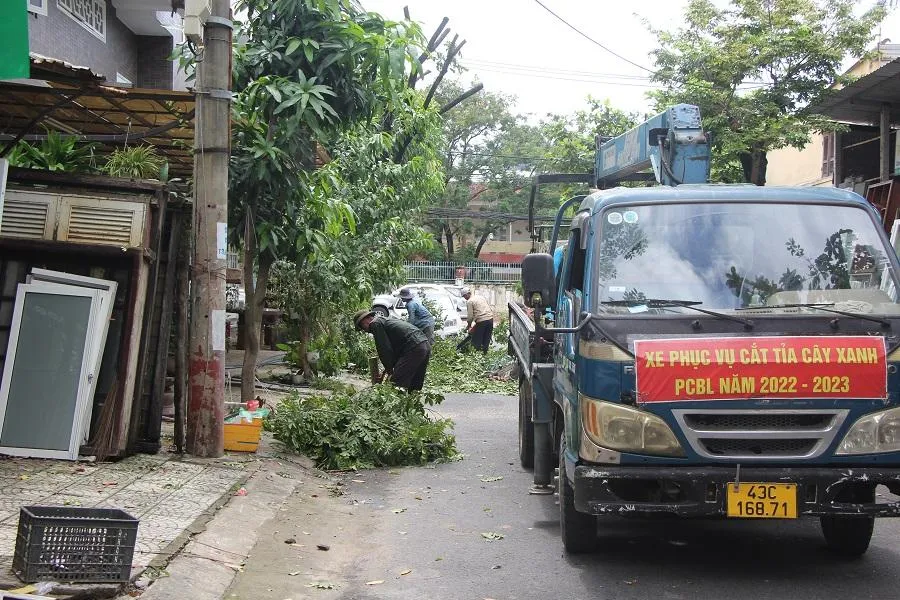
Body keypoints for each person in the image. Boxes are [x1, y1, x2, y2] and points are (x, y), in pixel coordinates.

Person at [353, 309, 431, 392]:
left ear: (365, 320)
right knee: (415, 383)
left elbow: (384, 349)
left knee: (396, 383)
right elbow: (394, 351)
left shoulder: (375, 324)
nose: (364, 330)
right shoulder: (385, 321)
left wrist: (390, 371)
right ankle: (413, 403)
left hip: (414, 347)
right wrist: (385, 371)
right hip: (424, 344)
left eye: (361, 327)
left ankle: (397, 404)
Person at [461, 287, 494, 354]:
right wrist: (470, 326)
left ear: (467, 294)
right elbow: (484, 309)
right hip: (490, 319)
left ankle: (476, 355)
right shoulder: (480, 297)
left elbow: (470, 317)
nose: (464, 298)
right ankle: (485, 354)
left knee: (477, 341)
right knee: (486, 339)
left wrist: (469, 325)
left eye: (464, 296)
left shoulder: (470, 302)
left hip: (482, 321)